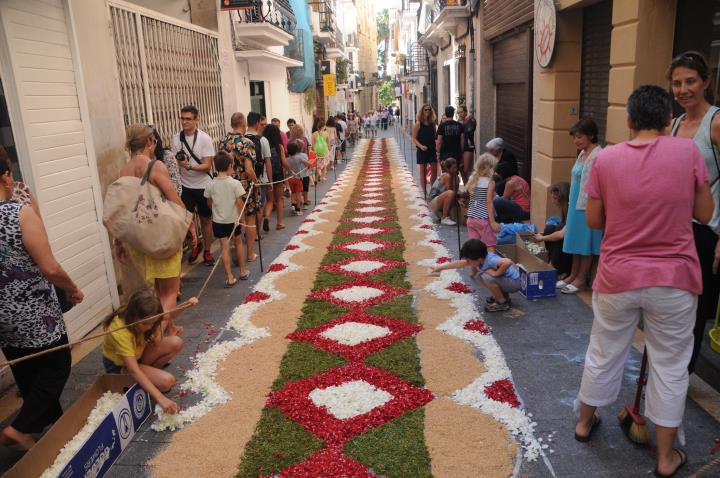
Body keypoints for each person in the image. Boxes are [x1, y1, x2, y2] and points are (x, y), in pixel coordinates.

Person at [574, 85, 713, 478]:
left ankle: (584, 423)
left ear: (630, 121)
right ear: (668, 120)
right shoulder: (688, 152)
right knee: (670, 365)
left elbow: (595, 221)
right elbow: (705, 213)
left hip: (618, 275)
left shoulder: (606, 160)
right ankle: (666, 458)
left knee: (604, 350)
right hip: (674, 278)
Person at [0, 156, 84, 449]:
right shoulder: (18, 213)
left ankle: (54, 428)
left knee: (28, 371)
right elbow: (48, 267)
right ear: (7, 177)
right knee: (58, 363)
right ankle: (21, 427)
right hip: (36, 312)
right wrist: (72, 287)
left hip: (4, 318)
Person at [668, 51, 720, 374]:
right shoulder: (674, 125)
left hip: (706, 233)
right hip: (675, 231)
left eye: (690, 81)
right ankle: (673, 370)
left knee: (697, 310)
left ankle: (680, 376)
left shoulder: (715, 123)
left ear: (706, 82)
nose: (683, 89)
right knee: (674, 307)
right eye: (677, 83)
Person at [117, 124, 186, 336]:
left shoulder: (124, 170)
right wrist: (188, 225)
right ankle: (153, 339)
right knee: (170, 292)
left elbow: (121, 209)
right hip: (161, 236)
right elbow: (174, 199)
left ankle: (170, 328)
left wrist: (118, 241)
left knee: (157, 289)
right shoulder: (155, 166)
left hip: (139, 239)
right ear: (149, 142)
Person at [102, 288, 198, 415]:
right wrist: (161, 399)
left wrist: (187, 305)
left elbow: (168, 315)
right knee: (167, 382)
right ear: (133, 317)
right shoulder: (119, 331)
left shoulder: (146, 315)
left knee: (176, 342)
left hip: (138, 355)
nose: (149, 327)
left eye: (152, 323)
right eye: (145, 323)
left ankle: (147, 377)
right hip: (121, 366)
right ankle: (140, 380)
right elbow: (133, 369)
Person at [559, 118, 603, 294]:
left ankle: (581, 279)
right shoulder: (582, 154)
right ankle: (573, 274)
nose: (576, 141)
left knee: (586, 243)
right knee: (576, 240)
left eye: (579, 137)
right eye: (574, 137)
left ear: (591, 135)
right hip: (575, 204)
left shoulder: (598, 155)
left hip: (588, 205)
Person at [171, 105, 215, 266]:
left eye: (188, 119)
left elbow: (207, 166)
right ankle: (195, 246)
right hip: (185, 186)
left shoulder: (205, 139)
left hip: (204, 185)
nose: (184, 122)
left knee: (205, 220)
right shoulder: (176, 138)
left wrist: (188, 166)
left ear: (197, 120)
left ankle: (208, 250)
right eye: (182, 118)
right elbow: (175, 161)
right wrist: (179, 163)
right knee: (186, 221)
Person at [432, 239, 520, 312]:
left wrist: (496, 273)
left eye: (468, 260)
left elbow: (508, 262)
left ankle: (502, 303)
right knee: (481, 277)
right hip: (508, 281)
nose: (467, 262)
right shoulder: (480, 258)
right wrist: (440, 268)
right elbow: (458, 264)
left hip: (514, 283)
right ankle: (503, 296)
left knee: (486, 276)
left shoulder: (491, 260)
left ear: (479, 259)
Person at [204, 152, 250, 286]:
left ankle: (229, 277)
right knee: (238, 243)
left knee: (224, 247)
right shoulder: (235, 183)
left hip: (218, 221)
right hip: (233, 219)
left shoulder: (210, 184)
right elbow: (240, 203)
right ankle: (242, 271)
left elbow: (209, 202)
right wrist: (242, 219)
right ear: (230, 165)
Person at [220, 112, 260, 263]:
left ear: (231, 125)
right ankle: (249, 253)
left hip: (227, 186)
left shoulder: (223, 142)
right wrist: (256, 182)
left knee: (232, 219)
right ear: (243, 125)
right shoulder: (247, 143)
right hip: (244, 187)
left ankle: (234, 253)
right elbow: (249, 169)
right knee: (249, 219)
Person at [534, 182, 573, 279]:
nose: (553, 201)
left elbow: (561, 235)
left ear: (563, 199)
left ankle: (558, 268)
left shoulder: (571, 212)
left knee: (557, 230)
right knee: (550, 228)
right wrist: (544, 234)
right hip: (563, 247)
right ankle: (553, 264)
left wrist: (542, 237)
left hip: (570, 252)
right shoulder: (564, 210)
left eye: (555, 198)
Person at [245, 112, 273, 235]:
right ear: (257, 124)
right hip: (260, 179)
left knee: (246, 208)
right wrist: (270, 180)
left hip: (243, 179)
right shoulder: (263, 140)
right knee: (259, 207)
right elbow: (268, 162)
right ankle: (255, 233)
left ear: (247, 123)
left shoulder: (241, 139)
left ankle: (248, 230)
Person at [465, 153, 499, 250]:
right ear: (491, 168)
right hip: (483, 219)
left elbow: (475, 197)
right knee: (490, 246)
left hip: (471, 218)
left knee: (474, 248)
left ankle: (473, 265)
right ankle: (490, 265)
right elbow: (489, 202)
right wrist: (492, 222)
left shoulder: (473, 179)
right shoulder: (490, 182)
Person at [263, 124, 291, 230]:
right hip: (278, 175)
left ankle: (267, 217)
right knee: (279, 199)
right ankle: (279, 223)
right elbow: (284, 162)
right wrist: (291, 171)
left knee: (269, 200)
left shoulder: (264, 145)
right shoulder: (280, 146)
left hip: (267, 175)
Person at [412, 104, 438, 199]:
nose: (427, 111)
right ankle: (424, 192)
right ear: (422, 111)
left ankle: (432, 189)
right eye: (426, 110)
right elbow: (414, 138)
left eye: (429, 110)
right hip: (422, 150)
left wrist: (437, 148)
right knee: (423, 172)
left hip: (431, 149)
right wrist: (421, 146)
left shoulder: (432, 123)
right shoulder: (418, 123)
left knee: (434, 170)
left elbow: (435, 137)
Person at [428, 158, 459, 226]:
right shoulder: (446, 176)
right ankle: (444, 218)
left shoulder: (456, 177)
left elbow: (456, 193)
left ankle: (445, 215)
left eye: (456, 167)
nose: (456, 169)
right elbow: (450, 192)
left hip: (441, 199)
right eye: (453, 168)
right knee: (450, 193)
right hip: (433, 202)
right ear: (448, 169)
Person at [289, 124, 311, 209]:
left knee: (295, 190)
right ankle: (305, 202)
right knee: (305, 187)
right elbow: (308, 149)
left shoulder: (290, 141)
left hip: (294, 168)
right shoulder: (304, 139)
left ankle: (294, 203)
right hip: (303, 167)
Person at [287, 141, 311, 215]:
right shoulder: (299, 158)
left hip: (290, 178)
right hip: (298, 178)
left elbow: (285, 169)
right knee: (298, 194)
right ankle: (298, 209)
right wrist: (308, 166)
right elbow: (308, 163)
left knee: (293, 192)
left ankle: (293, 205)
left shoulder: (287, 159)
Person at [458, 105, 476, 184]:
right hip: (459, 148)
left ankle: (470, 190)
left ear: (466, 112)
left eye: (461, 112)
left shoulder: (470, 121)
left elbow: (470, 130)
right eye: (458, 112)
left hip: (468, 147)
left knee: (466, 170)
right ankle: (467, 188)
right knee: (460, 168)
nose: (460, 114)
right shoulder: (458, 123)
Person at [312, 117, 330, 182]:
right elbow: (328, 143)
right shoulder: (326, 133)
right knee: (324, 165)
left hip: (317, 151)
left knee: (318, 165)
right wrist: (329, 149)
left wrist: (313, 151)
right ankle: (323, 177)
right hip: (324, 151)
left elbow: (313, 144)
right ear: (323, 126)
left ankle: (319, 173)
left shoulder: (314, 134)